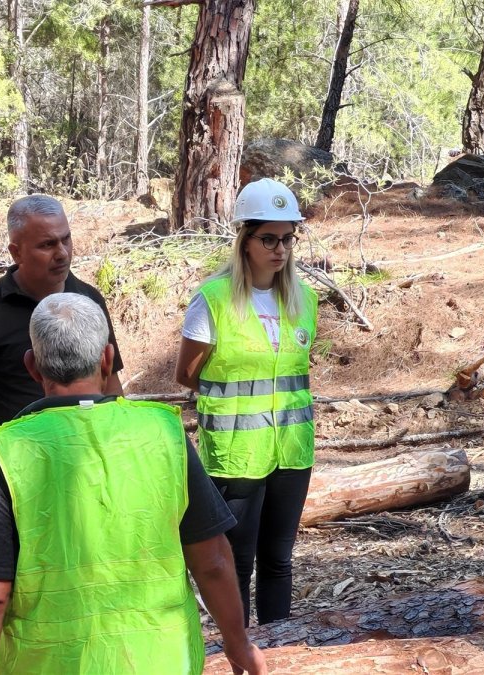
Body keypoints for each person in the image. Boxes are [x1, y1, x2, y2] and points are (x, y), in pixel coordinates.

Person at [0, 293, 265, 674]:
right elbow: (213, 560)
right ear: (106, 359)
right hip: (163, 660)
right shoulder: (163, 432)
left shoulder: (7, 450)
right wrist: (238, 645)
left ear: (33, 367)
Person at [175, 178, 318, 626]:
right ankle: (236, 653)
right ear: (245, 240)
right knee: (237, 562)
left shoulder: (304, 299)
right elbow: (187, 374)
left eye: (288, 239)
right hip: (236, 454)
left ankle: (277, 651)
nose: (280, 249)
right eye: (269, 239)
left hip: (292, 451)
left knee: (279, 560)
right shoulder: (213, 300)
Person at [0, 194, 124, 518]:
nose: (62, 253)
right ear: (16, 252)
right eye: (47, 245)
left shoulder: (89, 300)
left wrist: (119, 455)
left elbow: (111, 384)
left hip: (88, 465)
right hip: (18, 473)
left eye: (66, 239)